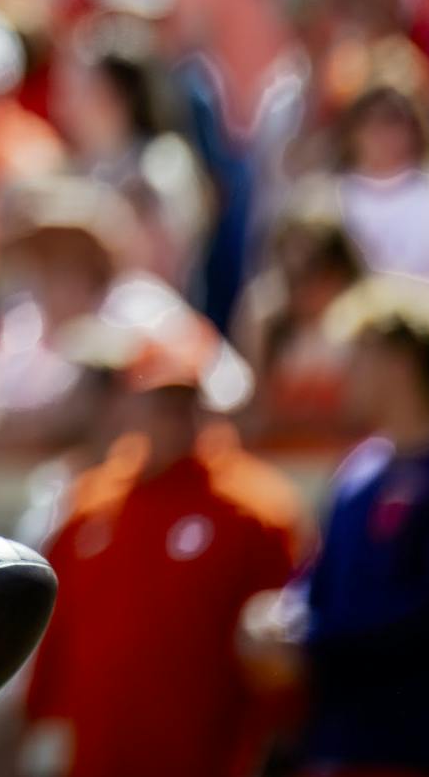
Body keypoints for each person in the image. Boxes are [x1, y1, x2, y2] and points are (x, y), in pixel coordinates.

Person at [20, 319, 305, 777]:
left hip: (205, 756)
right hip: (98, 753)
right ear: (131, 404)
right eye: (161, 401)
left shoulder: (257, 509)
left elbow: (279, 646)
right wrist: (33, 723)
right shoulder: (91, 501)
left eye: (186, 402)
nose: (174, 416)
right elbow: (58, 626)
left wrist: (275, 741)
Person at [242, 273, 429, 777]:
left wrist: (311, 643)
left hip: (419, 744)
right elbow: (319, 576)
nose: (344, 375)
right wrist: (276, 615)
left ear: (399, 362)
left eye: (358, 357)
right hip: (337, 740)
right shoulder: (360, 471)